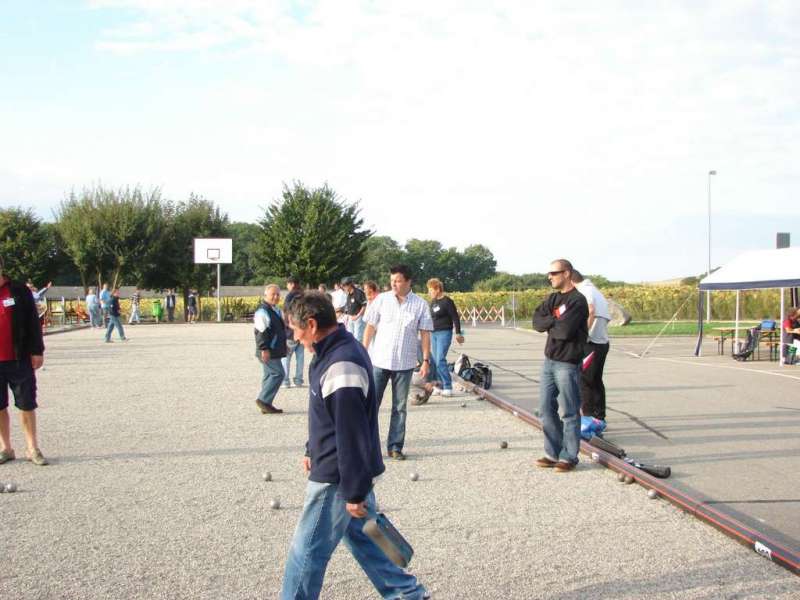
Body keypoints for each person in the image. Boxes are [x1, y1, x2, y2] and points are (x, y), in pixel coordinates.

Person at [280, 292, 428, 600]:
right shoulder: (330, 353)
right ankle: (409, 594)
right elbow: (327, 414)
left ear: (311, 324)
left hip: (337, 477)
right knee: (368, 541)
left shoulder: (341, 363)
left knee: (305, 552)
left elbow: (351, 432)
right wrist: (311, 448)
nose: (294, 337)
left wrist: (355, 491)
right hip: (344, 470)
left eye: (295, 330)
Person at [362, 265, 433, 460]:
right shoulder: (381, 300)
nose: (394, 283)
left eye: (398, 280)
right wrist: (362, 350)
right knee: (370, 405)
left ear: (409, 282)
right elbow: (370, 326)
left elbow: (425, 334)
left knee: (400, 407)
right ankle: (367, 447)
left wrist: (426, 359)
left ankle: (395, 446)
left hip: (405, 363)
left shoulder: (420, 304)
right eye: (392, 280)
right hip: (379, 361)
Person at [532, 259, 588, 473]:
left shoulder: (578, 301)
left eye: (554, 273)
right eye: (549, 273)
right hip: (549, 361)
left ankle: (569, 456)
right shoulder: (553, 298)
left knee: (570, 412)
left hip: (568, 363)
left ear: (567, 273)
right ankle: (552, 453)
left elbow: (565, 332)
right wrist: (554, 321)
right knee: (546, 409)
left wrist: (551, 323)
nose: (550, 277)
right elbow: (537, 321)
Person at [0, 255, 48, 466]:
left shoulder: (19, 290)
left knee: (26, 403)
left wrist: (37, 350)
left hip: (18, 358)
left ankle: (32, 447)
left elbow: (32, 322)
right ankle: (6, 448)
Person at [572, 271, 611, 421]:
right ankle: (599, 417)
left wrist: (583, 333)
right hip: (602, 343)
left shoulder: (584, 291)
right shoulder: (595, 290)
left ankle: (587, 419)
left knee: (585, 381)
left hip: (592, 343)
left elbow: (591, 310)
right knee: (595, 381)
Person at [424, 278, 464, 399]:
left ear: (437, 289)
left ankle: (448, 386)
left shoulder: (447, 302)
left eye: (431, 290)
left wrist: (458, 333)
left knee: (440, 359)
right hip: (434, 333)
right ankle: (438, 385)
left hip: (444, 333)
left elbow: (455, 318)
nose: (429, 293)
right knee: (435, 361)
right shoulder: (433, 302)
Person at [254, 284, 286, 414]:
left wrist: (284, 346)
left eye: (278, 294)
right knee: (278, 373)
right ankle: (263, 400)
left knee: (268, 375)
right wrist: (264, 349)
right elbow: (261, 332)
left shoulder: (274, 310)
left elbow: (278, 331)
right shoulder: (263, 311)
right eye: (273, 294)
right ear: (266, 295)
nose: (276, 296)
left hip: (273, 349)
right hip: (268, 350)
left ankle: (266, 404)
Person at [281, 277, 305, 388]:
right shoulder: (303, 294)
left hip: (291, 330)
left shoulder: (290, 295)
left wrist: (286, 324)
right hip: (302, 329)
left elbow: (285, 311)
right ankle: (299, 380)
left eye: (287, 284)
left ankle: (286, 381)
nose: (287, 286)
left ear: (291, 284)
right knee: (300, 356)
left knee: (286, 356)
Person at [342, 277, 367, 342]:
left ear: (350, 285)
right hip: (350, 318)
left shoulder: (359, 293)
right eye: (343, 286)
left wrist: (357, 316)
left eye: (345, 286)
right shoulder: (349, 295)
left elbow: (364, 305)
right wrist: (347, 315)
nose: (344, 288)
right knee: (351, 337)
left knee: (358, 338)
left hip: (358, 318)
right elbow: (348, 306)